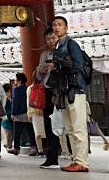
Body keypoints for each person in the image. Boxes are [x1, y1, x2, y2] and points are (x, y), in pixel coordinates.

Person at [49, 15, 90, 172]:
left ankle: (82, 162)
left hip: (76, 89)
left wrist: (60, 63)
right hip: (64, 90)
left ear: (66, 28)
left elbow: (78, 65)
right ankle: (75, 160)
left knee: (78, 128)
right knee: (70, 129)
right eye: (54, 25)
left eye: (60, 25)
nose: (57, 27)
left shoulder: (72, 44)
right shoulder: (57, 46)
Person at [35, 28, 61, 170]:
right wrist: (41, 71)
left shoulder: (63, 52)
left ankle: (75, 156)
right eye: (48, 39)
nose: (50, 41)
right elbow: (38, 77)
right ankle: (51, 158)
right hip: (47, 91)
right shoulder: (44, 55)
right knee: (49, 125)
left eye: (53, 38)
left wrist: (55, 67)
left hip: (59, 91)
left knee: (66, 125)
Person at [11, 72, 37, 155]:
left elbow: (15, 101)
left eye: (16, 79)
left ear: (19, 81)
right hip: (28, 112)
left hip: (19, 113)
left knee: (17, 132)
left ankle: (16, 148)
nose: (15, 80)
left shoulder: (16, 89)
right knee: (30, 131)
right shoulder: (28, 88)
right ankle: (34, 148)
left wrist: (13, 113)